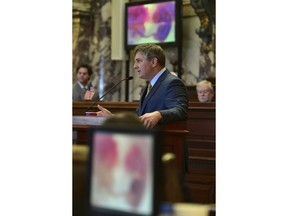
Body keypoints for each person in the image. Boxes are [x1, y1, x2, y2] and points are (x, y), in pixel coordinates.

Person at [96, 43, 188, 128]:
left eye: (138, 61)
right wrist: (113, 117)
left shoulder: (172, 82)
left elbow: (181, 110)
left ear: (153, 62)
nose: (135, 66)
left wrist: (158, 114)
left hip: (164, 142)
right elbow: (139, 118)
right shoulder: (148, 86)